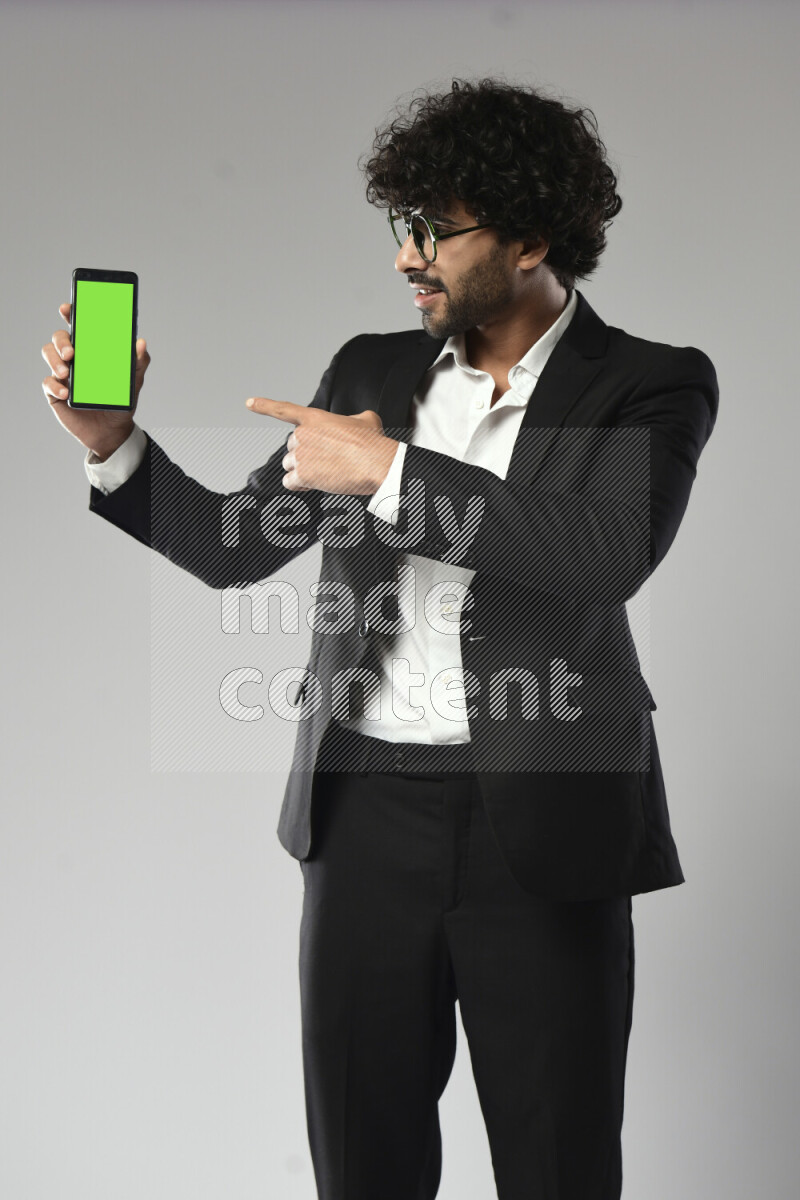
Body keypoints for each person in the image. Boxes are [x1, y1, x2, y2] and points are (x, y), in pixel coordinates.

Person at [41, 78, 718, 1200]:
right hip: (364, 825)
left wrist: (391, 474)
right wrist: (113, 441)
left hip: (545, 829)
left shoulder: (648, 384)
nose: (406, 257)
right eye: (398, 229)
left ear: (530, 236)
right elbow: (229, 546)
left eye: (433, 232)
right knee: (363, 1166)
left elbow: (604, 554)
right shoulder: (368, 374)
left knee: (556, 1166)